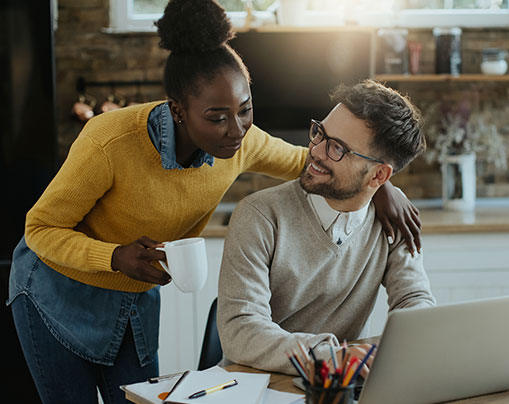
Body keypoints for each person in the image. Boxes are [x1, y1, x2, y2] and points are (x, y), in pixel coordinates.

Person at [7, 1, 420, 403]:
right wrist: (114, 257)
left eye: (245, 110)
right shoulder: (108, 141)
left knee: (140, 399)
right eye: (217, 117)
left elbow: (313, 163)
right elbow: (39, 229)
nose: (236, 130)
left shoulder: (242, 142)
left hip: (131, 295)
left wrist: (383, 185)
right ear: (178, 111)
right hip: (54, 293)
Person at [217, 79, 436, 377]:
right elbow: (240, 331)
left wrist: (410, 342)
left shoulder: (394, 222)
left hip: (341, 386)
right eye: (320, 133)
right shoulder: (260, 215)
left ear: (378, 176)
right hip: (260, 388)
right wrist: (333, 358)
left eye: (338, 149)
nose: (316, 151)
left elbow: (414, 299)